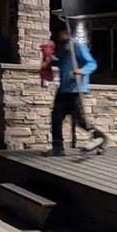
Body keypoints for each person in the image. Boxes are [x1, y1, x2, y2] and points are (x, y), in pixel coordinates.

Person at [46, 28, 108, 156]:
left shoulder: (77, 46)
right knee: (56, 118)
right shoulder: (62, 48)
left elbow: (92, 63)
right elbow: (62, 64)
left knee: (80, 121)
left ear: (68, 32)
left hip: (76, 89)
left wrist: (82, 71)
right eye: (60, 34)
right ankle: (58, 148)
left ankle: (101, 138)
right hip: (64, 89)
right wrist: (49, 58)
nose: (61, 36)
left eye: (63, 33)